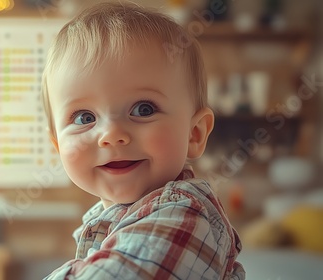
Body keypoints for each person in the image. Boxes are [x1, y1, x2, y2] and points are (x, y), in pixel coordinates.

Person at [40, 2, 245, 279]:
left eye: (143, 109)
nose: (111, 135)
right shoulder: (110, 219)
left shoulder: (184, 214)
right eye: (84, 117)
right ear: (58, 146)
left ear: (194, 133)